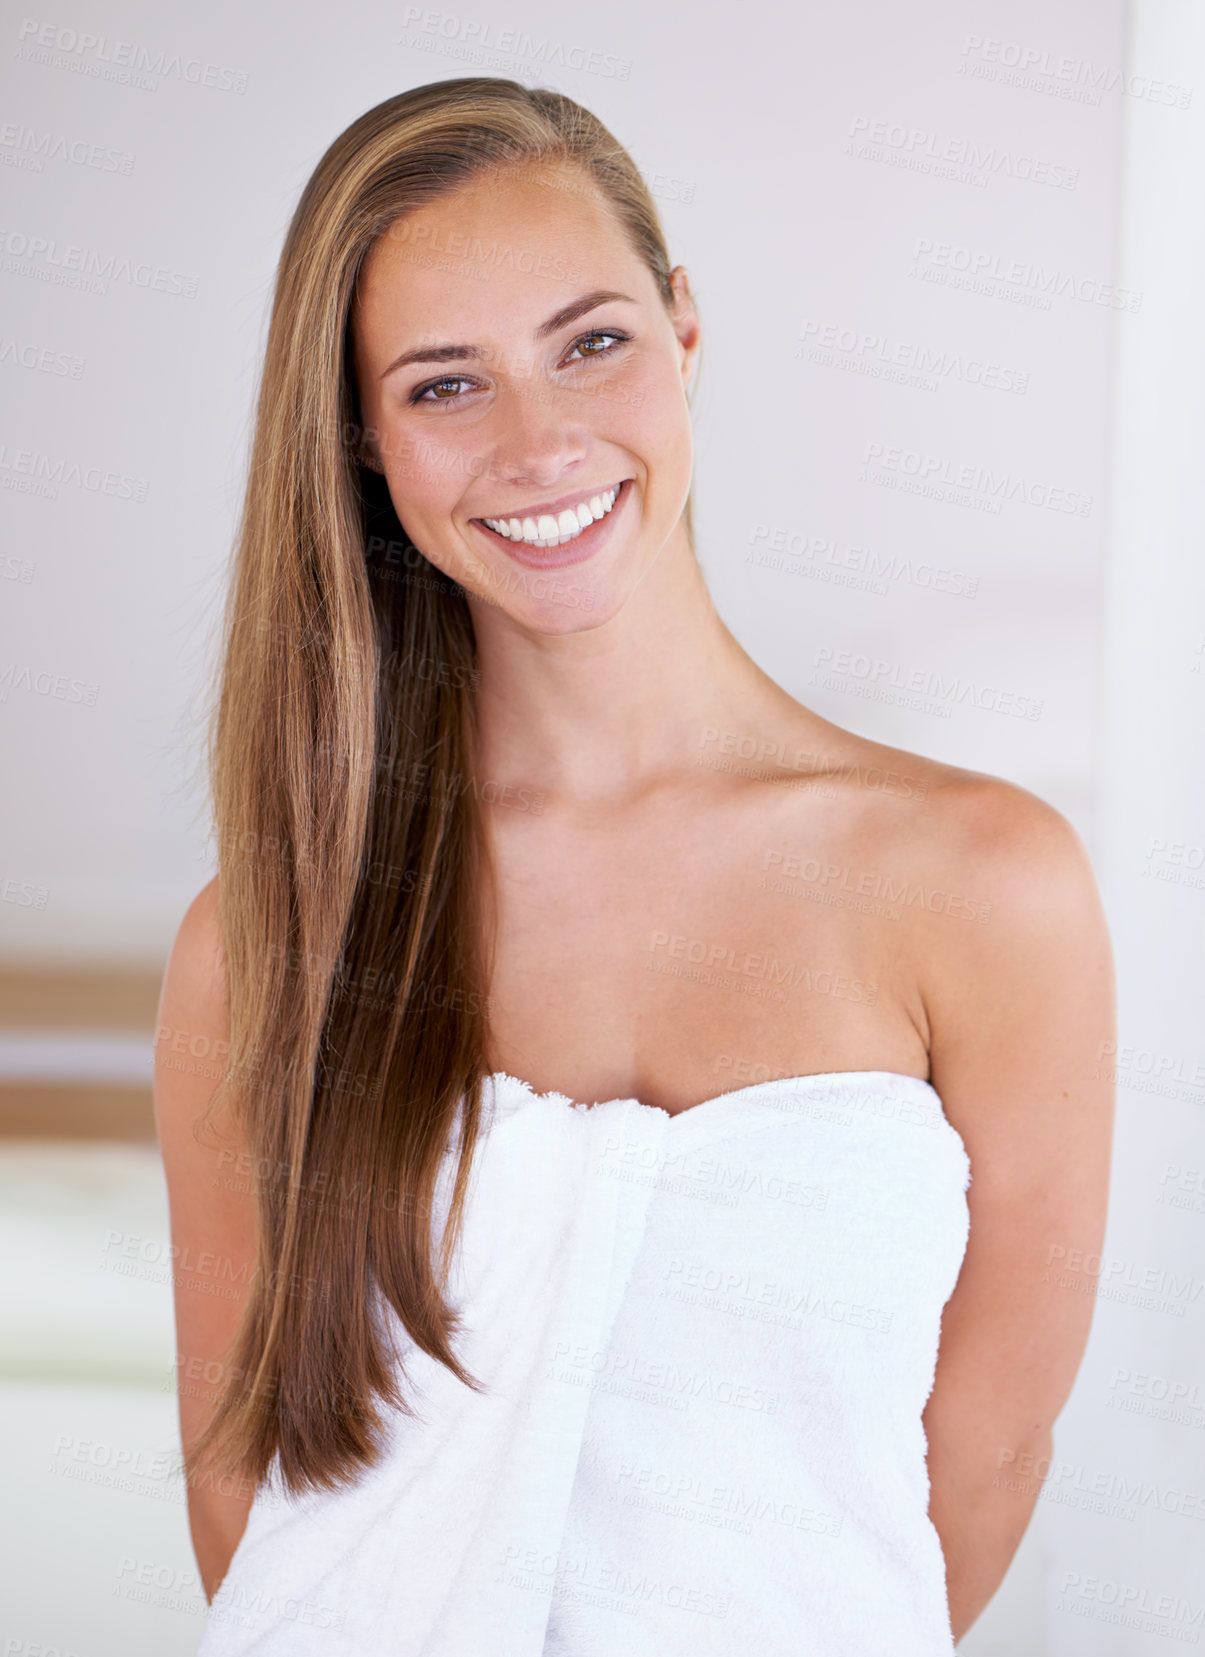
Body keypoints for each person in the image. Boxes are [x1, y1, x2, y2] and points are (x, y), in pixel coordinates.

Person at [154, 77, 1115, 1655]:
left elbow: (984, 1457)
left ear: (681, 331)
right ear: (364, 445)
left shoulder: (982, 884)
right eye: (444, 386)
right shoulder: (270, 937)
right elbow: (237, 1479)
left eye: (588, 342)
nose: (541, 444)